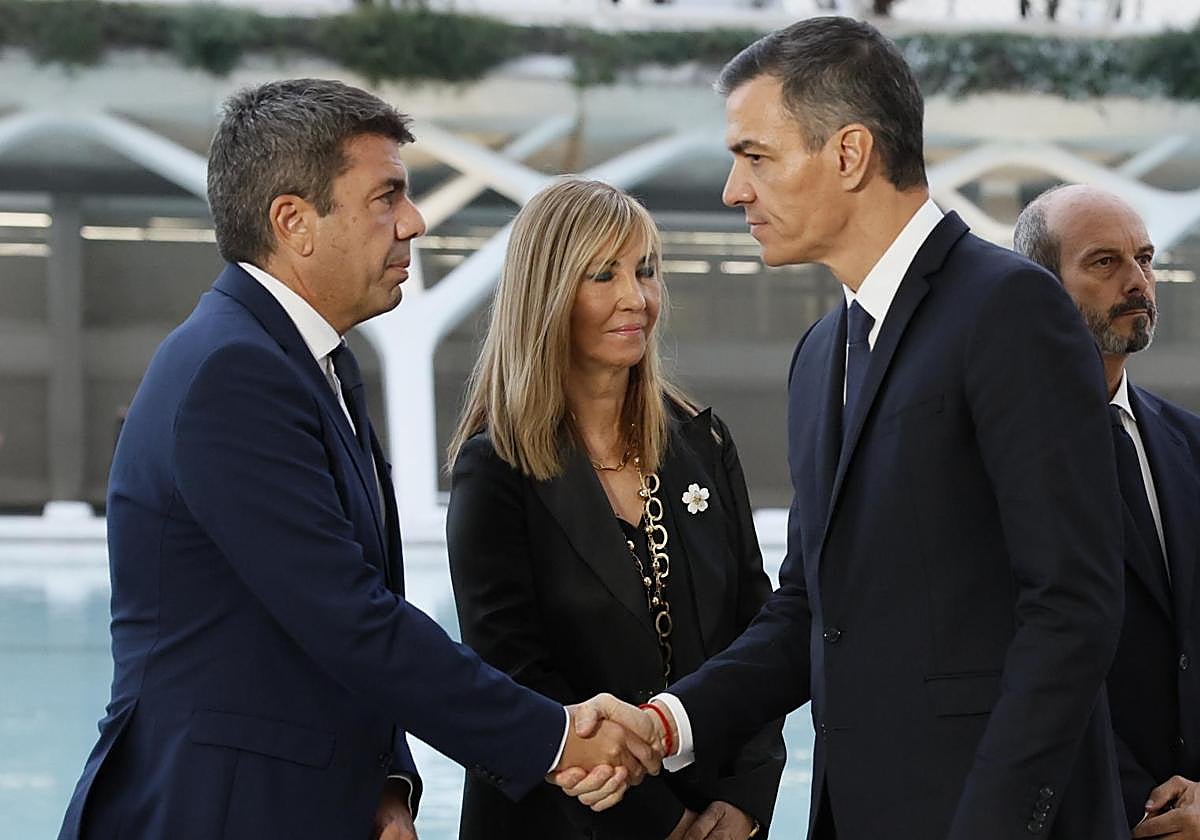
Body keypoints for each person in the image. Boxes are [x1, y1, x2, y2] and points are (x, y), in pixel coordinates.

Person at [560, 17, 1129, 840]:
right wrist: (668, 724)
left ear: (850, 153)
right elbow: (809, 609)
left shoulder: (1010, 309)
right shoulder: (822, 352)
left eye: (755, 156)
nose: (734, 189)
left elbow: (1074, 605)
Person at [57, 79, 661, 840]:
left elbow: (346, 622)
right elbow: (347, 616)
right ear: (294, 222)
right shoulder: (232, 374)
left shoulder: (319, 367)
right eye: (387, 197)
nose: (412, 221)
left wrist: (385, 783)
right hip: (214, 810)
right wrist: (557, 736)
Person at [446, 177, 786, 840]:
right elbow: (513, 680)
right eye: (603, 275)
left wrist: (744, 802)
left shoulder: (702, 443)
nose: (635, 297)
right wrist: (669, 822)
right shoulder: (494, 468)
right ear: (547, 296)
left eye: (646, 270)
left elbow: (760, 635)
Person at [1014, 185, 1200, 838]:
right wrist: (1141, 805)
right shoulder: (991, 457)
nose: (1138, 282)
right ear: (1037, 289)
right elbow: (1014, 663)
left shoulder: (1191, 444)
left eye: (1145, 259)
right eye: (1105, 262)